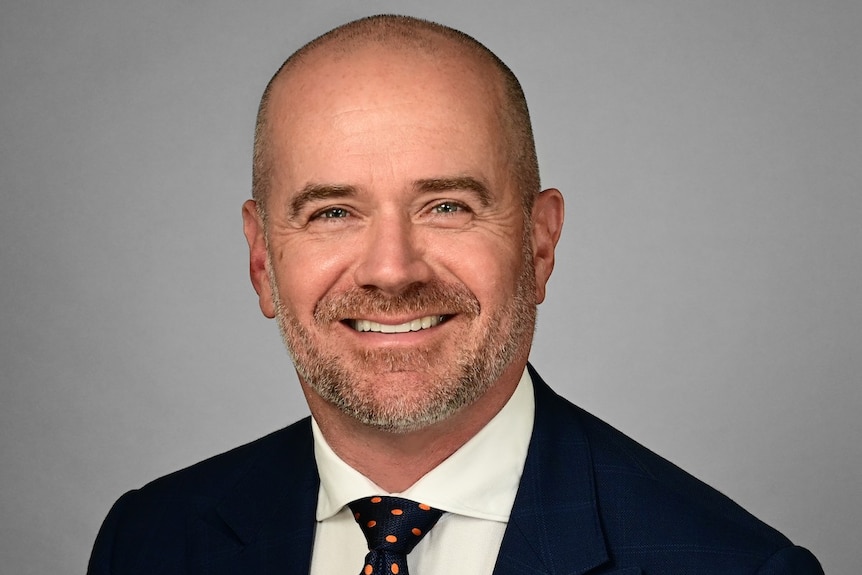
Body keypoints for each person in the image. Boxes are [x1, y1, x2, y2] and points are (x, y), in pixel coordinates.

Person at [88, 14, 823, 575]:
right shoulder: (151, 539)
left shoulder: (730, 563)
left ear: (538, 244)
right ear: (261, 261)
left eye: (447, 206)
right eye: (332, 213)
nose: (391, 270)